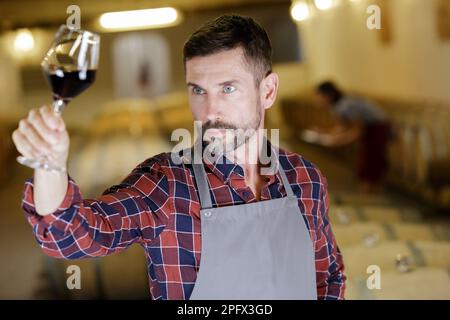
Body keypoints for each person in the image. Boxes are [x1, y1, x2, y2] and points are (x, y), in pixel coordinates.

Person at [12, 15, 345, 300]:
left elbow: (327, 275)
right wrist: (50, 166)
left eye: (228, 88)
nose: (210, 110)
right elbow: (70, 236)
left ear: (268, 91)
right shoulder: (167, 184)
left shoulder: (306, 179)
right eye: (198, 90)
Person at [313, 81, 391, 194]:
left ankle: (373, 191)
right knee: (367, 157)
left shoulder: (345, 105)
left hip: (377, 127)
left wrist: (336, 141)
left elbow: (356, 130)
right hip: (370, 128)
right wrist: (324, 133)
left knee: (372, 158)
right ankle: (369, 190)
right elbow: (342, 127)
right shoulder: (338, 106)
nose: (318, 100)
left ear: (328, 95)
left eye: (319, 96)